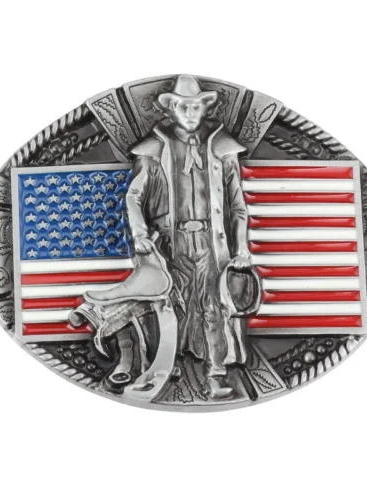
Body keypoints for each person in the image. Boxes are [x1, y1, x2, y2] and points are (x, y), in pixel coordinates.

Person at [125, 75, 252, 400]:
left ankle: (216, 374)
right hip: (171, 244)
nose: (191, 113)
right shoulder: (154, 150)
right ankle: (167, 366)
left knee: (213, 306)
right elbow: (134, 196)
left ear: (205, 108)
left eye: (197, 106)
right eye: (184, 106)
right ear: (172, 109)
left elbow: (238, 205)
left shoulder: (222, 149)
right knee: (171, 305)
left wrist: (241, 248)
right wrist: (139, 233)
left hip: (211, 243)